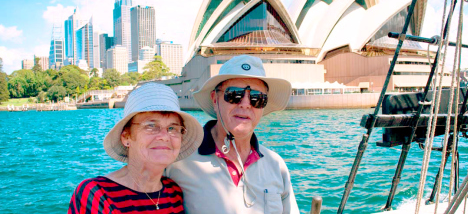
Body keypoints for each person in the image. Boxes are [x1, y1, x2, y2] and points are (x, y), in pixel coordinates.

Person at [166, 55, 300, 214]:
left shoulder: (277, 165)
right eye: (234, 94)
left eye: (256, 98)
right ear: (215, 100)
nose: (245, 104)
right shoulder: (177, 161)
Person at [68, 82, 204, 214]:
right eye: (151, 126)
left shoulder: (173, 192)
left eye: (172, 128)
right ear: (126, 137)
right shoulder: (98, 194)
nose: (164, 136)